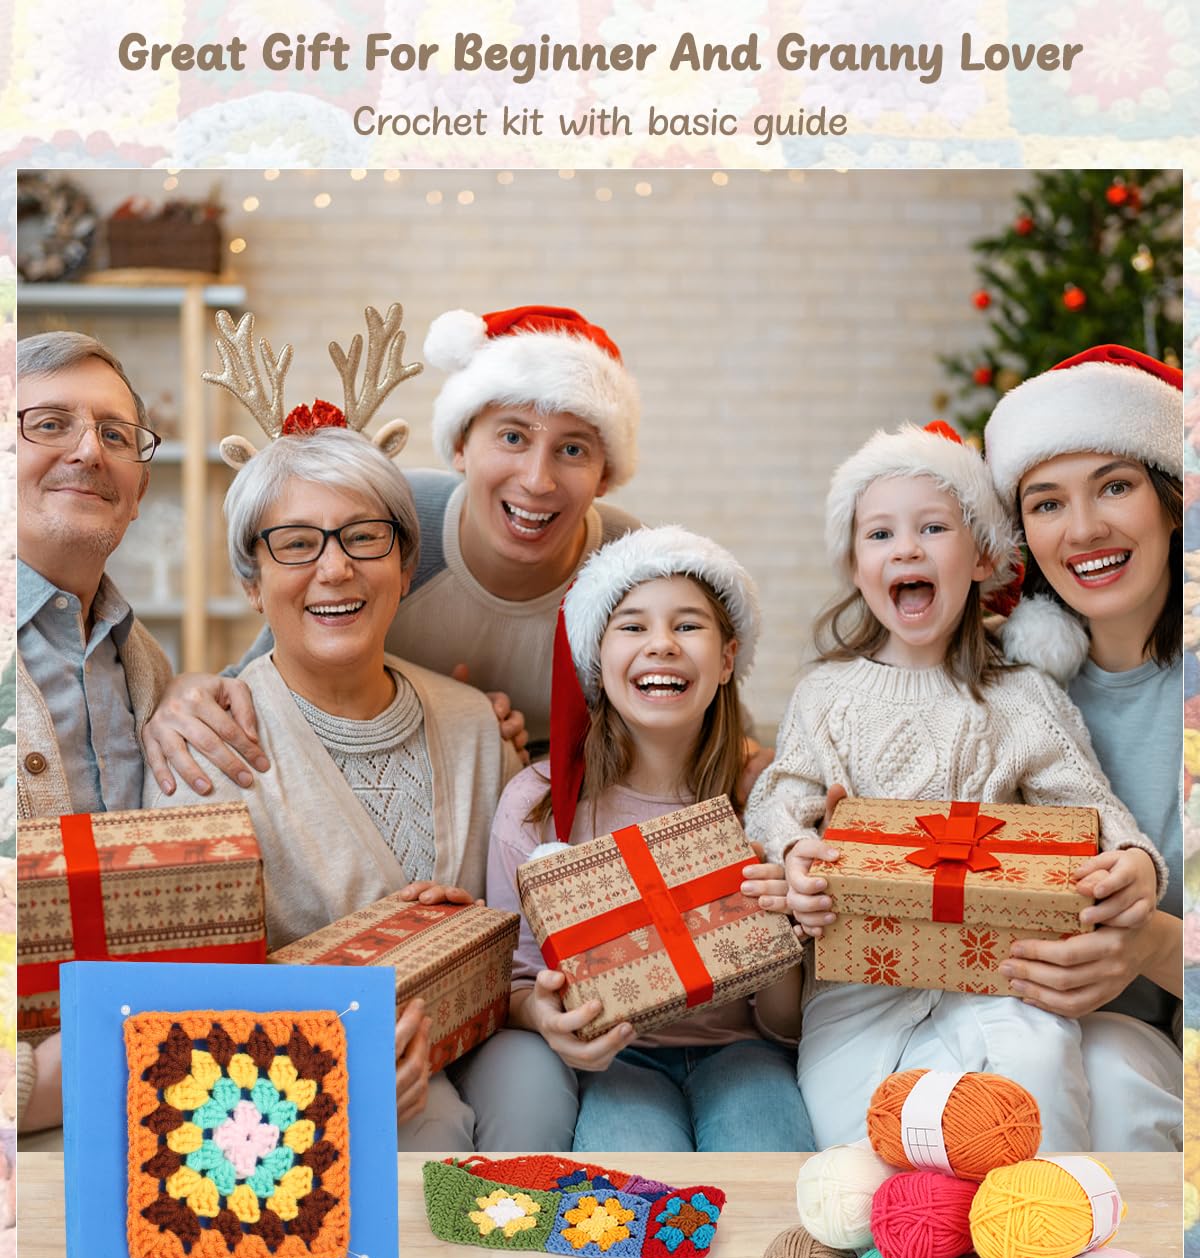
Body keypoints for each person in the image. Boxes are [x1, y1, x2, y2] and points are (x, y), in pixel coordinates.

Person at [145, 424, 577, 1148]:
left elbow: (526, 940)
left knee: (535, 1078)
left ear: (406, 567)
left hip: (482, 1033)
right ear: (251, 582)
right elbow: (191, 1016)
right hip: (298, 1076)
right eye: (295, 543)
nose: (335, 568)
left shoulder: (476, 726)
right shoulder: (203, 758)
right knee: (427, 1125)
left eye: (364, 538)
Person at [744, 419, 1165, 1151]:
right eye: (879, 535)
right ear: (853, 565)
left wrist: (1134, 861)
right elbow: (781, 797)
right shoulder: (826, 694)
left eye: (933, 527)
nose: (905, 548)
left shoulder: (1024, 696)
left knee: (1033, 1092)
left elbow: (1093, 810)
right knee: (860, 1144)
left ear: (982, 558)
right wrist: (792, 852)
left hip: (1006, 973)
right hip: (858, 988)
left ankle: (1047, 1234)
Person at [140, 305, 642, 792]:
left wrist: (507, 757)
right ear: (461, 447)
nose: (536, 480)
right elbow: (271, 662)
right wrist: (186, 691)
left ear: (606, 474)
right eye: (512, 437)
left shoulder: (631, 568)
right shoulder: (392, 519)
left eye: (573, 449)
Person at [486, 525, 814, 1152]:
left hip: (743, 1050)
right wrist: (544, 1017)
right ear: (597, 658)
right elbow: (515, 981)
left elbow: (786, 1025)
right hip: (619, 1064)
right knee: (635, 1184)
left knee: (769, 1156)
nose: (661, 645)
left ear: (725, 660)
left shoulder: (769, 795)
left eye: (688, 625)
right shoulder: (539, 804)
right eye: (633, 627)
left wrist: (779, 935)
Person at [983, 343, 1184, 1150]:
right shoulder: (993, 681)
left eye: (1116, 485)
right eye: (1046, 502)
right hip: (1016, 1023)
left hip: (1164, 1038)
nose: (1085, 529)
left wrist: (1152, 944)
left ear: (1173, 499)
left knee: (1117, 1083)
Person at [15, 331, 172, 1136]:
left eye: (116, 435)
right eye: (46, 424)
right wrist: (38, 1084)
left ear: (139, 489)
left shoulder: (144, 665)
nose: (88, 450)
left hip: (146, 1097)